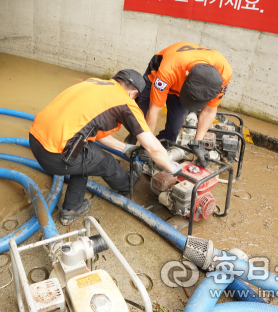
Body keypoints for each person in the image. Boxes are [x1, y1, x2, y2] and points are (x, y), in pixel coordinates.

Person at [29, 69, 180, 225]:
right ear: (133, 93)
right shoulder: (124, 101)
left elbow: (89, 130)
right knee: (103, 160)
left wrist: (125, 148)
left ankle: (70, 209)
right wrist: (171, 167)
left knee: (85, 157)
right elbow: (153, 147)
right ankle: (125, 185)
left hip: (35, 139)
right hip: (56, 155)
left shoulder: (94, 83)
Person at [128, 42, 232, 167]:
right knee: (141, 118)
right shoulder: (169, 70)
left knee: (174, 130)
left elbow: (210, 109)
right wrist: (146, 146)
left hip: (184, 84)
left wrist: (197, 142)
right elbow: (154, 110)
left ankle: (158, 155)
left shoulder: (224, 74)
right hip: (160, 72)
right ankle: (134, 142)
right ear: (186, 76)